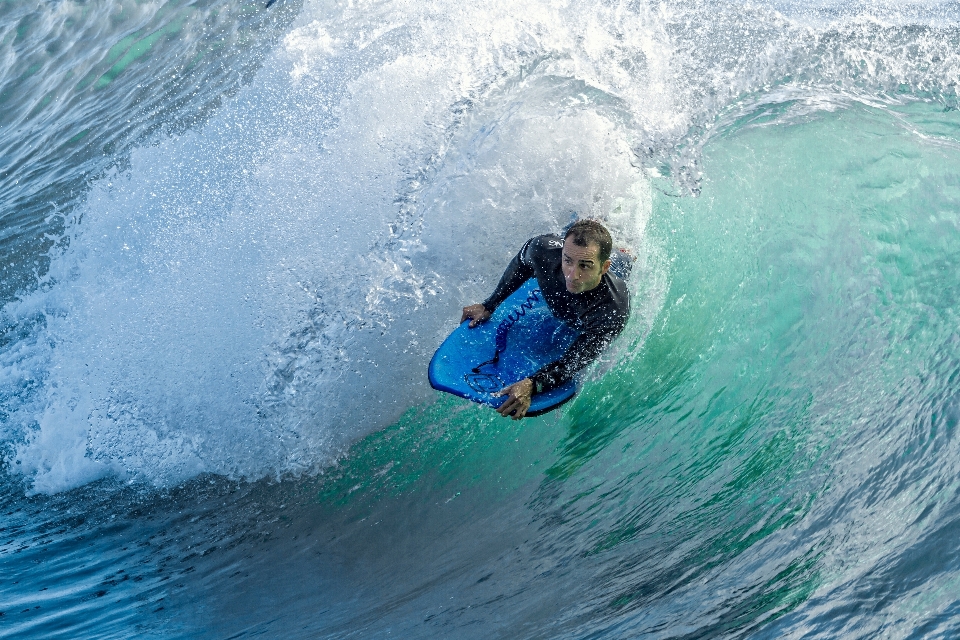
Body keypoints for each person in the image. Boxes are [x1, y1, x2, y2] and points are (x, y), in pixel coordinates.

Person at [460, 219, 630, 420]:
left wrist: (533, 383)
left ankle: (623, 249)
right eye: (568, 261)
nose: (572, 275)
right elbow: (521, 263)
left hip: (617, 269)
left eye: (585, 266)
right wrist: (489, 305)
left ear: (603, 267)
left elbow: (571, 363)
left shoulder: (612, 310)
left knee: (624, 258)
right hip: (571, 249)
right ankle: (594, 221)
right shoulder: (542, 249)